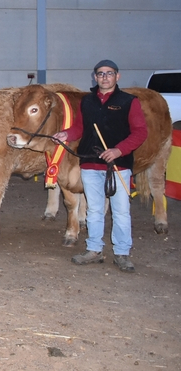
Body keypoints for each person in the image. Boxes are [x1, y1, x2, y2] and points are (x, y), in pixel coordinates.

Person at [54, 60, 147, 273]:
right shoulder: (87, 101)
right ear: (95, 77)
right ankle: (94, 249)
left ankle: (122, 252)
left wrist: (118, 150)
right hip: (90, 163)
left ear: (117, 76)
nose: (104, 77)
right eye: (100, 74)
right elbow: (80, 127)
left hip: (118, 165)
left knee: (121, 211)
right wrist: (66, 134)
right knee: (94, 210)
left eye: (109, 73)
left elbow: (140, 132)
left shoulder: (128, 101)